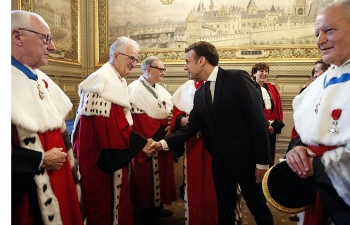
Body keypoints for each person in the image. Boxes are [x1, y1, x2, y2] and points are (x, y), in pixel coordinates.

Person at [150, 41, 274, 225]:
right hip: (220, 163)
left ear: (201, 61)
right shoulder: (200, 94)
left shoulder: (237, 79)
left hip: (247, 162)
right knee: (224, 210)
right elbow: (191, 127)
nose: (185, 67)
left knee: (259, 210)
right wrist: (162, 144)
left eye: (187, 61)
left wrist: (263, 163)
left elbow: (257, 122)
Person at [11, 10, 85, 224]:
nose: (52, 47)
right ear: (18, 37)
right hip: (30, 202)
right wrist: (40, 159)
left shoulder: (40, 78)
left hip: (62, 187)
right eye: (46, 39)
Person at [71, 37, 154, 225]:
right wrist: (141, 144)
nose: (134, 63)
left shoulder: (115, 79)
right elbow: (109, 129)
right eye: (130, 58)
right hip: (97, 159)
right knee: (101, 208)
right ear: (116, 56)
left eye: (136, 59)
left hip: (109, 155)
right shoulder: (102, 82)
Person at [286, 1, 350, 224]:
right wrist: (297, 149)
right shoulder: (320, 82)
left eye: (329, 30)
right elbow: (307, 133)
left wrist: (318, 166)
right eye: (317, 33)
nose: (319, 41)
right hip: (316, 192)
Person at [170, 78, 243, 225]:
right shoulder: (186, 87)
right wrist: (181, 120)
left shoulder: (223, 84)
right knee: (195, 179)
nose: (186, 67)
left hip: (218, 143)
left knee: (221, 181)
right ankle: (197, 217)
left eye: (189, 62)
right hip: (193, 143)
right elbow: (177, 113)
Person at [127, 56, 176, 225]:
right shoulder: (134, 89)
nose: (163, 73)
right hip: (146, 139)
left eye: (164, 70)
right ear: (148, 70)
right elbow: (137, 120)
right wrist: (156, 135)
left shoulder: (159, 89)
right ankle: (145, 209)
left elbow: (168, 110)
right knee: (145, 178)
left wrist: (170, 126)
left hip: (161, 137)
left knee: (162, 174)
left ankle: (158, 205)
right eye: (160, 69)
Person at [251, 62, 284, 167]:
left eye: (266, 71)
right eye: (261, 71)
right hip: (257, 126)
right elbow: (252, 110)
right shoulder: (250, 89)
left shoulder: (271, 88)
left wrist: (274, 125)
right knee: (258, 153)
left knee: (269, 152)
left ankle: (267, 176)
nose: (264, 73)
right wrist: (265, 125)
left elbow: (277, 109)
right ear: (254, 74)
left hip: (271, 126)